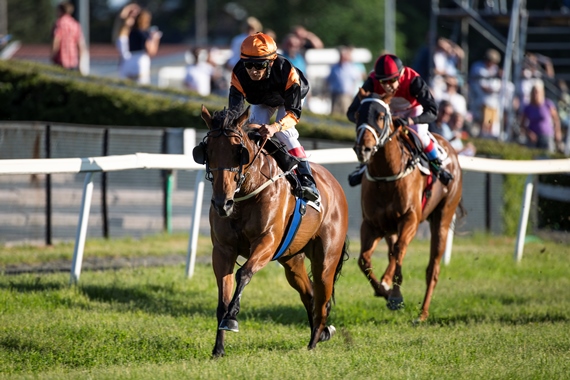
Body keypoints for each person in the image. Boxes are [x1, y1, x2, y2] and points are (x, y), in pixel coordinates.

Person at [228, 32, 319, 202]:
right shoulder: (238, 73)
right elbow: (234, 114)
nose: (254, 71)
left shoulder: (287, 72)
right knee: (254, 129)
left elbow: (293, 114)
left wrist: (274, 127)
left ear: (271, 61)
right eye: (248, 65)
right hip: (263, 99)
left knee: (284, 133)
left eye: (260, 65)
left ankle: (307, 179)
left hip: (288, 99)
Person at [346, 54, 454, 186]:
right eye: (383, 82)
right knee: (376, 138)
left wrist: (411, 121)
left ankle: (438, 166)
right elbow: (351, 112)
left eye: (392, 80)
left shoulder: (413, 80)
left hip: (412, 111)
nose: (387, 86)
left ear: (401, 73)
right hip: (387, 113)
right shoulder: (372, 80)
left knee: (421, 135)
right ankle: (363, 168)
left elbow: (432, 111)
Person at [468, 48, 503, 138]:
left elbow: (499, 86)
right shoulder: (478, 67)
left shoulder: (495, 69)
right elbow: (482, 87)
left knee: (491, 124)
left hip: (494, 102)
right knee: (483, 123)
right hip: (479, 100)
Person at [519, 83, 564, 153]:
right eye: (534, 92)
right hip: (533, 138)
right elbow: (522, 124)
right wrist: (529, 133)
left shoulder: (548, 104)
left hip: (547, 136)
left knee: (547, 157)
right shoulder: (528, 107)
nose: (535, 94)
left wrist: (557, 132)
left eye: (537, 92)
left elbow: (556, 119)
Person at [122, 9, 162, 85]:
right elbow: (151, 51)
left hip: (128, 60)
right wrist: (155, 39)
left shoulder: (130, 32)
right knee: (142, 86)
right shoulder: (143, 33)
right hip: (140, 60)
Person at [326, 46, 366, 116]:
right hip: (335, 94)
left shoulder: (351, 68)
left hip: (346, 95)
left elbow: (359, 77)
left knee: (345, 114)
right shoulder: (334, 67)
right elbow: (328, 80)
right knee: (334, 114)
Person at [51, 1, 87, 73]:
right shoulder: (75, 24)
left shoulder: (59, 23)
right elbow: (80, 44)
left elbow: (56, 40)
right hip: (73, 60)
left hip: (60, 59)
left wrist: (52, 55)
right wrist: (81, 62)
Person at [111, 3, 141, 77]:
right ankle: (124, 73)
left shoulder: (134, 20)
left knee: (126, 57)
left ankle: (126, 72)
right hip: (122, 39)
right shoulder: (125, 18)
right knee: (126, 57)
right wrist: (130, 7)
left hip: (126, 39)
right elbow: (122, 14)